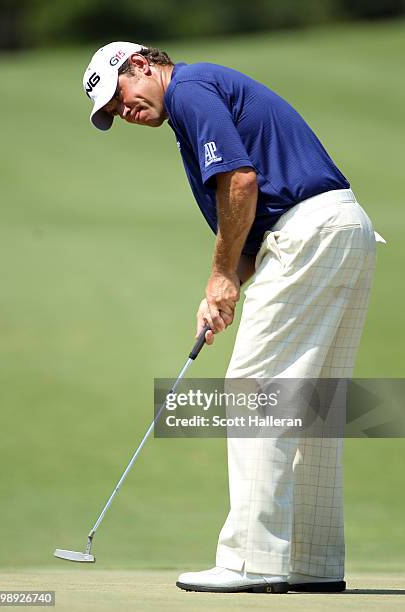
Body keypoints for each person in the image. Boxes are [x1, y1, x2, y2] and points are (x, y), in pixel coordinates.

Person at [82, 41, 380, 594]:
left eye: (118, 95)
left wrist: (221, 277)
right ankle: (312, 561)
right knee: (311, 404)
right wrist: (222, 291)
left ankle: (251, 561)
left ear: (142, 65)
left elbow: (240, 183)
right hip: (343, 229)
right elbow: (245, 221)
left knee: (254, 391)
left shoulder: (190, 90)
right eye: (111, 112)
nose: (122, 111)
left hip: (306, 233)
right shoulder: (195, 100)